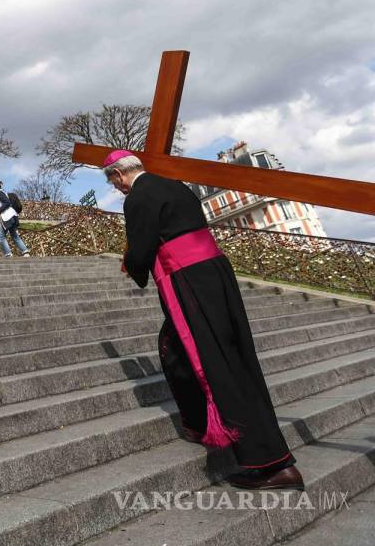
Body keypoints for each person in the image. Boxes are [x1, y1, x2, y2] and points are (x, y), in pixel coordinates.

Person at [106, 149, 303, 490]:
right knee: (174, 346)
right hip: (214, 273)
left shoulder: (137, 197)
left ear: (119, 175)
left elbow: (141, 248)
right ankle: (199, 422)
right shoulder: (175, 186)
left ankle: (270, 463)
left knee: (219, 363)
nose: (117, 189)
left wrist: (131, 265)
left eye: (113, 182)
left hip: (188, 281)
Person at [0, 179, 29, 257]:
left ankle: (8, 254)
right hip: (13, 215)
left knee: (1, 236)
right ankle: (25, 251)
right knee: (14, 235)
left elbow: (7, 202)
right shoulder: (1, 192)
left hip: (7, 216)